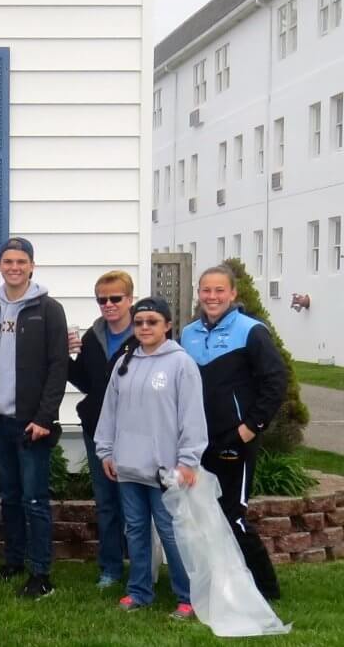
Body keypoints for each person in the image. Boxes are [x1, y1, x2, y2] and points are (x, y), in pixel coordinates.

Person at [94, 297, 207, 620]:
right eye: (140, 322)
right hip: (128, 466)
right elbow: (110, 412)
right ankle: (139, 591)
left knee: (172, 534)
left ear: (167, 325)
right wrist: (106, 450)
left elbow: (192, 417)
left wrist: (188, 461)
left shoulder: (181, 364)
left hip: (166, 469)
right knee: (136, 531)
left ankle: (187, 596)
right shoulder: (125, 362)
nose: (144, 327)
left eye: (152, 322)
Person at [180, 264, 287, 600]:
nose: (212, 297)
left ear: (233, 293)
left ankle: (266, 588)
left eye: (219, 290)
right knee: (203, 515)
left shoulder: (251, 331)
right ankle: (221, 582)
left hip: (236, 439)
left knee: (232, 515)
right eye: (206, 290)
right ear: (198, 294)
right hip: (200, 439)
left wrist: (249, 428)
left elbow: (276, 381)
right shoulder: (188, 333)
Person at [0, 237, 68, 599]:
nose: (14, 267)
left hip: (33, 425)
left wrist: (45, 416)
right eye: (8, 261)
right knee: (9, 498)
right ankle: (13, 561)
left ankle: (41, 573)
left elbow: (58, 367)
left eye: (21, 261)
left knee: (34, 500)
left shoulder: (49, 309)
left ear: (31, 266)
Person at [67, 270, 135, 589]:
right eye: (102, 300)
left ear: (129, 299)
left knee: (135, 504)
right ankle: (110, 569)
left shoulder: (146, 333)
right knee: (106, 503)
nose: (108, 305)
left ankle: (139, 566)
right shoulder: (94, 337)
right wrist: (68, 357)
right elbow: (85, 382)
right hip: (98, 431)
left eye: (115, 299)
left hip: (137, 433)